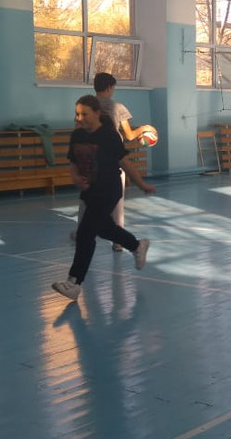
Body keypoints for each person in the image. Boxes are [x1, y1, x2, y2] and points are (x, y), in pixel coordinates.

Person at [52, 95, 155, 301]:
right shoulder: (77, 135)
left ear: (97, 114)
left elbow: (124, 162)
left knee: (85, 233)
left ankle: (74, 282)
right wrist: (76, 178)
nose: (80, 118)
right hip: (90, 190)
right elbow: (73, 163)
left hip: (109, 189)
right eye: (77, 114)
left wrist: (141, 184)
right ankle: (137, 245)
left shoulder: (108, 136)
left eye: (85, 114)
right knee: (104, 228)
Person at [92, 72, 153, 250]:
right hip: (112, 158)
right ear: (109, 87)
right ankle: (118, 241)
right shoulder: (116, 107)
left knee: (89, 199)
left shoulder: (87, 104)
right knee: (117, 203)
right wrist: (144, 128)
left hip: (92, 158)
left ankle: (83, 232)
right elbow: (129, 135)